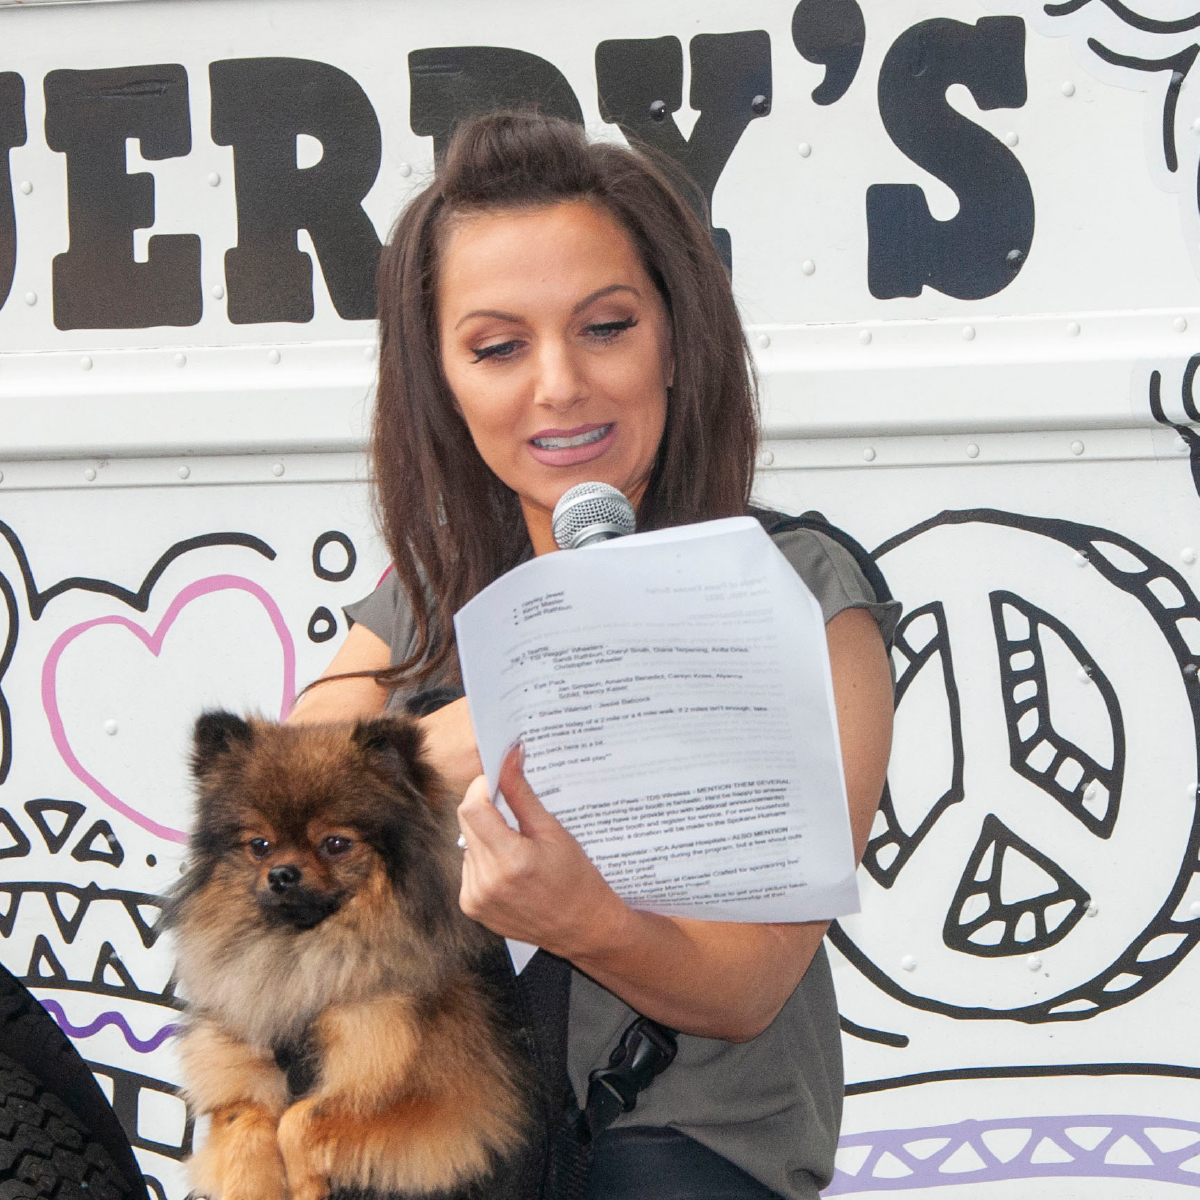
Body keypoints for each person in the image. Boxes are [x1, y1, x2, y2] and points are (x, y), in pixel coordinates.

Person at [290, 110, 898, 1200]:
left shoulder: (804, 599)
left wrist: (588, 923)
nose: (559, 385)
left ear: (677, 338)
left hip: (684, 1151)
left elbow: (747, 988)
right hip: (436, 1140)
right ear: (442, 381)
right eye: (498, 346)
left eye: (605, 327)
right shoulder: (422, 602)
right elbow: (282, 807)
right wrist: (449, 754)